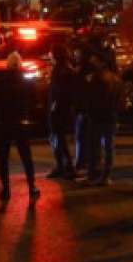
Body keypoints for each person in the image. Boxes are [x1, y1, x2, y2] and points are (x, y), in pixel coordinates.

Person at [0, 52, 40, 203]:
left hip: (3, 123)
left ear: (7, 65)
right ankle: (31, 186)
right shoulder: (27, 83)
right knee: (26, 157)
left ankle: (6, 189)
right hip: (21, 122)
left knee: (3, 158)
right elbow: (34, 102)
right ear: (20, 64)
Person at [84, 50, 120, 185]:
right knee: (109, 147)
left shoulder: (96, 78)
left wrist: (90, 112)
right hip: (110, 116)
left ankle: (94, 175)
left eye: (94, 60)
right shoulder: (115, 78)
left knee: (95, 147)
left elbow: (93, 99)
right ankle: (106, 176)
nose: (91, 61)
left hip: (98, 117)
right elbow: (118, 100)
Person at [46, 44, 78, 179]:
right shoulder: (65, 69)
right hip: (61, 108)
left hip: (58, 109)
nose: (49, 57)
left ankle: (64, 166)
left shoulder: (61, 70)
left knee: (58, 138)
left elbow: (60, 91)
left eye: (51, 54)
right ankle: (64, 166)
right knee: (58, 138)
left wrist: (55, 105)